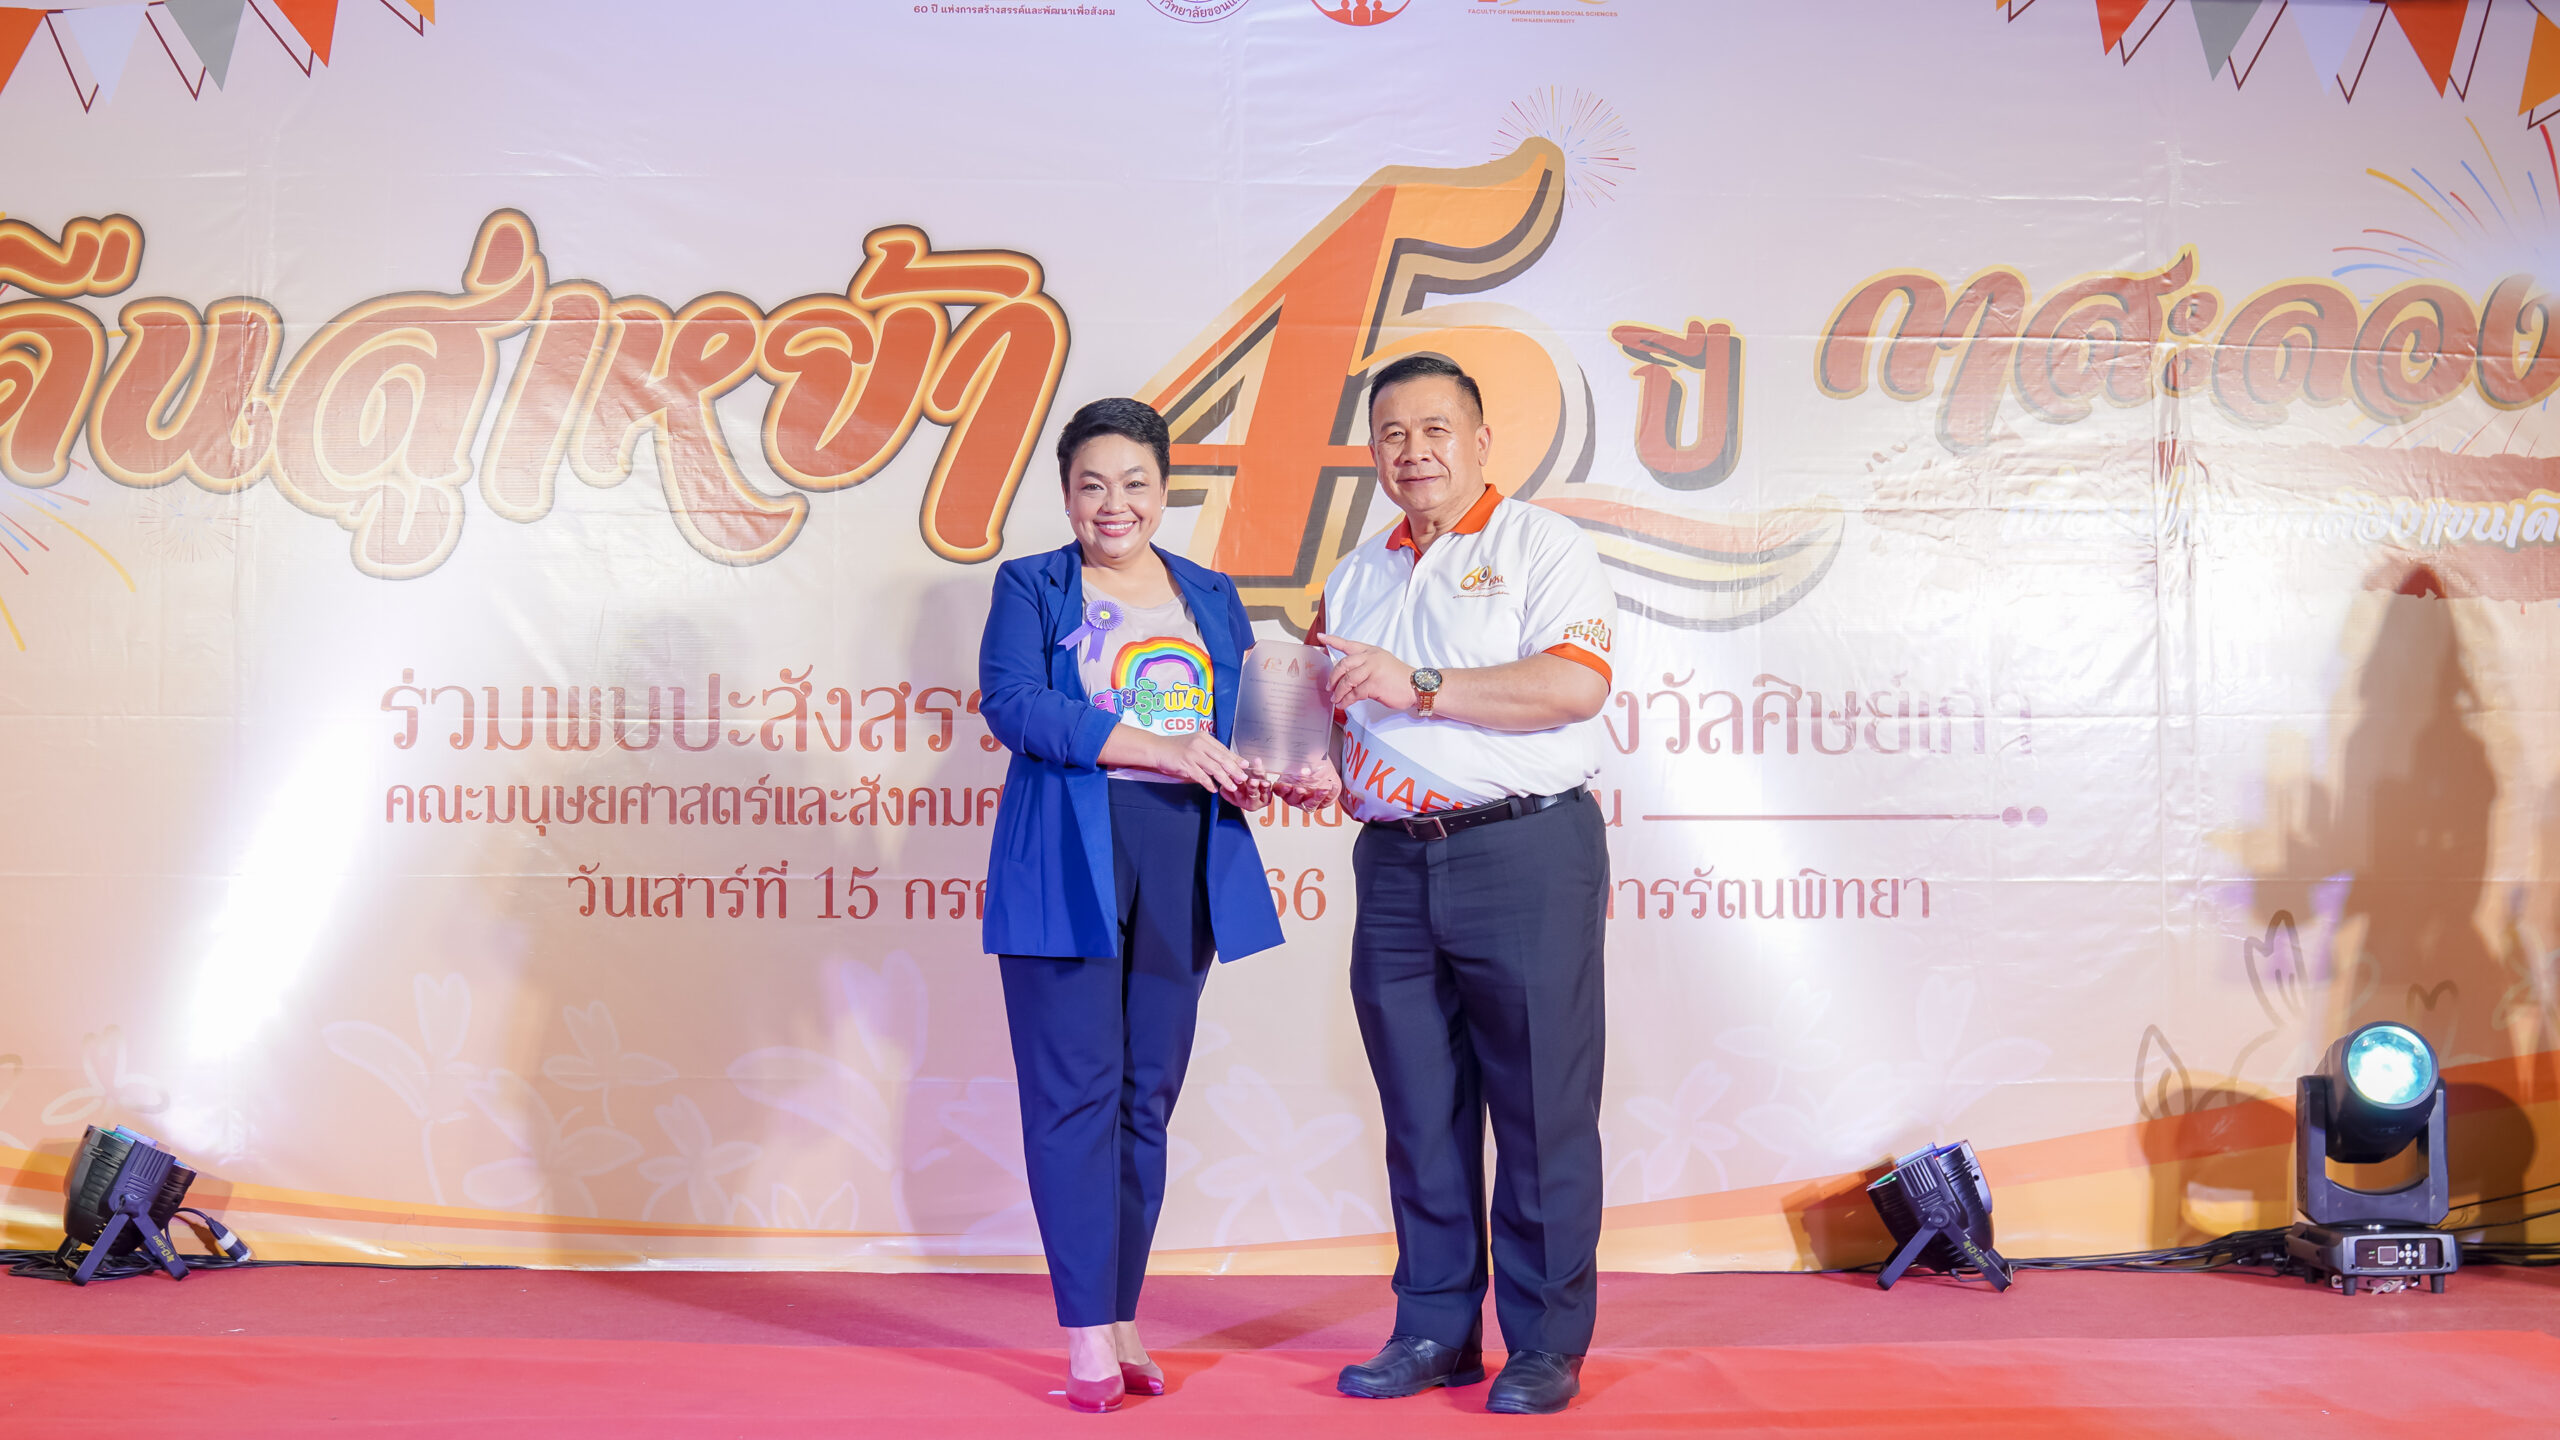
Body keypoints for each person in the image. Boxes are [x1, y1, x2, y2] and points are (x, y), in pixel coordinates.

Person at [1277, 354, 1617, 1416]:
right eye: (1391, 434)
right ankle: (1433, 1327)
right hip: (1392, 864)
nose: (1413, 451)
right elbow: (1336, 714)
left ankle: (1545, 1342)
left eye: (1434, 430)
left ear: (1479, 442)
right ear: (1372, 452)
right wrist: (1313, 765)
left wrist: (1419, 684)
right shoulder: (1355, 574)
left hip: (1525, 850)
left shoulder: (1540, 544)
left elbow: (1572, 685)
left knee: (1541, 1107)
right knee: (1419, 1109)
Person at [978, 396, 1312, 1413]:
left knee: (1144, 1095)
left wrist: (1277, 769)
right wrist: (1158, 748)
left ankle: (1121, 1312)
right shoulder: (1032, 585)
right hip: (1065, 857)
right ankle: (1084, 1328)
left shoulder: (1210, 593)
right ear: (1065, 494)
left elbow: (1242, 727)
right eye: (1091, 485)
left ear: (1165, 491)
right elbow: (1015, 705)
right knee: (1073, 1093)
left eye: (1133, 484)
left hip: (1183, 858)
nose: (1112, 504)